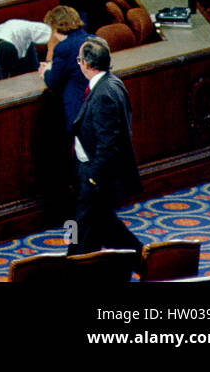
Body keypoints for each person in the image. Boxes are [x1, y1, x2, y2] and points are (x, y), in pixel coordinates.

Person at [68, 36, 143, 256]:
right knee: (105, 227)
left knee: (82, 229)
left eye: (79, 60)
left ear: (87, 64)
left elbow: (107, 143)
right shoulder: (111, 83)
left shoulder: (103, 95)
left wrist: (93, 178)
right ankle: (146, 261)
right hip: (96, 172)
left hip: (96, 174)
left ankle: (71, 270)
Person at [37, 5, 89, 131]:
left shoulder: (63, 48)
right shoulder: (95, 39)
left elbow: (53, 81)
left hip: (78, 106)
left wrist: (46, 71)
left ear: (56, 28)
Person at [0, 18, 51, 85]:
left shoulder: (21, 28)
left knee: (36, 79)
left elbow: (53, 35)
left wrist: (50, 59)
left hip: (26, 50)